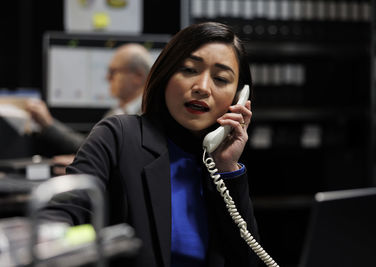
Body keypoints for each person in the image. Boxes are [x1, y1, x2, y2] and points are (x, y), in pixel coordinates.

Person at [38, 22, 264, 267]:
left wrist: (228, 170)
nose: (201, 87)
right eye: (189, 69)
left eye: (220, 78)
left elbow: (249, 261)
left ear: (239, 98)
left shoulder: (223, 166)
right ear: (166, 74)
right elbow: (60, 218)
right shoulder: (118, 136)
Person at [26, 43, 152, 173]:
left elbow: (137, 163)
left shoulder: (150, 116)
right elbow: (89, 146)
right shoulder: (117, 111)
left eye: (113, 72)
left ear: (138, 76)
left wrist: (88, 166)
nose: (107, 78)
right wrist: (48, 124)